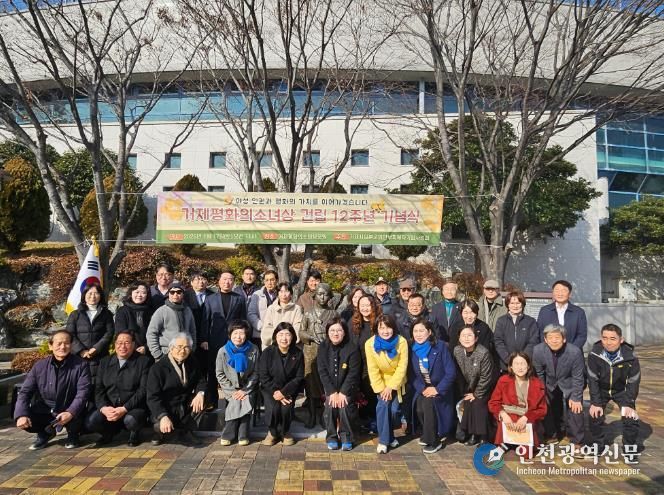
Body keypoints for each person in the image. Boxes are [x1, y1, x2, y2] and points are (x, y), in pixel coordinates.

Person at [14, 330, 90, 450]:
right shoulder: (40, 366)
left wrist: (70, 412)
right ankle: (45, 433)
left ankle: (73, 434)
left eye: (66, 343)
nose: (63, 347)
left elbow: (83, 393)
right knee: (27, 418)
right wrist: (21, 415)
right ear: (50, 346)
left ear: (71, 345)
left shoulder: (81, 365)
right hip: (46, 409)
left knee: (79, 416)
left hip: (70, 408)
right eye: (59, 343)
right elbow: (25, 392)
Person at [85, 331, 151, 447]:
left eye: (127, 343)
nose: (122, 346)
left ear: (133, 344)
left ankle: (134, 433)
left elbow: (143, 390)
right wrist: (104, 408)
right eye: (119, 343)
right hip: (110, 407)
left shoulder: (144, 361)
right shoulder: (105, 362)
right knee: (91, 421)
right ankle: (108, 433)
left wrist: (124, 409)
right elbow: (99, 390)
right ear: (115, 344)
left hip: (133, 408)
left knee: (131, 420)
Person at [587, 324, 641, 452]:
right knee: (594, 415)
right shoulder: (594, 355)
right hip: (601, 390)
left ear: (621, 340)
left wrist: (629, 403)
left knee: (631, 418)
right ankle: (598, 445)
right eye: (604, 338)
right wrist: (595, 403)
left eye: (613, 338)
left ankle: (629, 448)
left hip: (621, 390)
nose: (608, 342)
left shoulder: (631, 357)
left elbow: (633, 381)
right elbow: (592, 380)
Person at [533, 324, 585, 454]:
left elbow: (578, 377)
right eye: (550, 338)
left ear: (564, 338)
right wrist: (542, 392)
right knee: (546, 404)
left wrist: (576, 397)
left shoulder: (575, 352)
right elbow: (539, 373)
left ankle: (577, 440)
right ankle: (552, 433)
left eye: (557, 337)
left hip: (570, 382)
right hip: (549, 382)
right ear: (545, 340)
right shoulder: (538, 350)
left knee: (575, 408)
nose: (554, 340)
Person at [146, 333, 206, 446]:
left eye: (186, 347)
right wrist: (163, 416)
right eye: (179, 347)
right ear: (171, 348)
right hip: (166, 407)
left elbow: (201, 380)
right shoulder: (158, 368)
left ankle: (186, 431)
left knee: (203, 400)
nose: (182, 351)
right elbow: (152, 397)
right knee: (159, 423)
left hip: (183, 404)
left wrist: (200, 393)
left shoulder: (192, 361)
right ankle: (159, 433)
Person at [410, 318, 456, 454]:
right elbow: (411, 375)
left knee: (429, 404)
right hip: (424, 387)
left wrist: (437, 389)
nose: (418, 334)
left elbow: (451, 372)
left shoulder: (440, 347)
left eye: (422, 331)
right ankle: (427, 433)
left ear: (429, 332)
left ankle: (434, 441)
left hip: (440, 387)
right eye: (415, 331)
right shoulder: (412, 349)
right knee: (419, 407)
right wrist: (422, 388)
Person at [365, 314, 409, 454]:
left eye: (388, 327)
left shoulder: (401, 342)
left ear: (393, 328)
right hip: (381, 382)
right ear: (376, 329)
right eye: (381, 328)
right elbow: (372, 369)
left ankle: (390, 436)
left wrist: (391, 387)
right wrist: (381, 389)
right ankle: (384, 441)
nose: (385, 331)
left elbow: (402, 367)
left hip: (397, 381)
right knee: (383, 406)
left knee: (394, 411)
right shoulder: (370, 344)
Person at [203, 270, 247, 407]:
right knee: (212, 372)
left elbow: (243, 320)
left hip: (233, 341)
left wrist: (242, 337)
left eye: (230, 279)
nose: (227, 282)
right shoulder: (210, 299)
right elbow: (205, 320)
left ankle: (231, 402)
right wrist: (204, 339)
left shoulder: (239, 298)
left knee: (232, 372)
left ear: (233, 282)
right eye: (224, 279)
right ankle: (212, 402)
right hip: (214, 340)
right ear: (219, 281)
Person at [488, 352, 547, 451]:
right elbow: (493, 402)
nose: (520, 367)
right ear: (511, 367)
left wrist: (526, 417)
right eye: (516, 364)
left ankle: (520, 443)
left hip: (527, 418)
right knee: (506, 425)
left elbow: (542, 409)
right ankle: (507, 443)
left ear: (528, 366)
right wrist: (503, 414)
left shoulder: (537, 383)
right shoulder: (503, 380)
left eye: (522, 364)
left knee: (526, 453)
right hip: (509, 417)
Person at [318, 318, 362, 451]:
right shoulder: (323, 347)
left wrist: (343, 392)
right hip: (330, 388)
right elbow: (322, 371)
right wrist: (332, 392)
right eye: (332, 330)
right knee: (330, 404)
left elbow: (353, 373)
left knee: (344, 405)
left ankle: (347, 437)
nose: (335, 333)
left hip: (348, 388)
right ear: (327, 332)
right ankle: (331, 437)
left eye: (339, 330)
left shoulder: (352, 348)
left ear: (344, 332)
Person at [258, 322, 305, 446]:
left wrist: (284, 392)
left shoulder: (298, 353)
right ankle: (272, 432)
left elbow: (299, 377)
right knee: (273, 408)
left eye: (287, 335)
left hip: (288, 389)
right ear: (275, 336)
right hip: (270, 389)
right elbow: (263, 376)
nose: (284, 338)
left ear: (293, 337)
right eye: (281, 334)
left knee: (286, 408)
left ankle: (285, 431)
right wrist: (276, 392)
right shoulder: (268, 352)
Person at [216, 320, 260, 446]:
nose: (238, 337)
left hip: (248, 387)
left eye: (241, 333)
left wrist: (245, 390)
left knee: (244, 398)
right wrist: (233, 391)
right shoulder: (223, 351)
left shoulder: (253, 349)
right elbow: (220, 374)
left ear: (246, 335)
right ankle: (239, 433)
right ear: (230, 334)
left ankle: (235, 434)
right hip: (230, 389)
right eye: (235, 333)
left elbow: (256, 372)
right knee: (236, 400)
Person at [299, 283, 337, 428]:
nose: (322, 297)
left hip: (328, 352)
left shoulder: (333, 314)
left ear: (329, 297)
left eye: (325, 294)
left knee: (324, 383)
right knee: (310, 384)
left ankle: (324, 415)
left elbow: (339, 330)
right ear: (314, 296)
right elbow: (301, 332)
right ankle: (312, 414)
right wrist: (310, 336)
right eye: (319, 294)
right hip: (310, 352)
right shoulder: (308, 313)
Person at [453, 326, 495, 446]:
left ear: (476, 338)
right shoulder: (457, 351)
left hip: (485, 386)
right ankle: (471, 433)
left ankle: (482, 436)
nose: (466, 338)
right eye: (463, 336)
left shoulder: (483, 353)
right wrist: (464, 391)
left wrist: (476, 393)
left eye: (470, 335)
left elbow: (486, 377)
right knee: (467, 401)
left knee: (477, 403)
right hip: (467, 387)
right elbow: (458, 373)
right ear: (459, 338)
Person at [66, 282, 115, 382]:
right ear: (84, 295)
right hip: (79, 358)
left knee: (98, 384)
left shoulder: (107, 314)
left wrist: (96, 348)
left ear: (100, 295)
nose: (93, 296)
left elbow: (109, 333)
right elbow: (70, 334)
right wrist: (81, 351)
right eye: (90, 293)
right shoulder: (75, 314)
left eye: (96, 293)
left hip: (100, 357)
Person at [349, 294, 382, 429]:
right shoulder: (353, 323)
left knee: (373, 395)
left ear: (373, 306)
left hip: (376, 366)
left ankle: (375, 421)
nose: (365, 308)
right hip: (358, 366)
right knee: (361, 396)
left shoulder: (380, 322)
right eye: (362, 305)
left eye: (368, 305)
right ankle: (362, 422)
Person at [147, 282, 197, 361]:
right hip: (166, 354)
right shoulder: (162, 311)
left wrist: (192, 349)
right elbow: (151, 333)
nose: (175, 294)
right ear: (168, 294)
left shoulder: (187, 310)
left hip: (185, 354)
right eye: (172, 292)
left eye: (179, 292)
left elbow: (192, 331)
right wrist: (157, 354)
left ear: (183, 294)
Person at [494, 291, 539, 371]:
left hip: (525, 364)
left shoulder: (530, 321)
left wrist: (523, 359)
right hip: (506, 366)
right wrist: (508, 359)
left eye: (518, 303)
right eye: (512, 303)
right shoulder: (501, 321)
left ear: (522, 304)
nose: (515, 306)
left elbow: (533, 341)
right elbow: (498, 341)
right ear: (507, 305)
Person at [537, 280, 588, 350]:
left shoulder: (578, 312)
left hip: (572, 353)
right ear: (553, 293)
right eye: (557, 290)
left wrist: (571, 351)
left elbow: (581, 336)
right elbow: (540, 333)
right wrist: (549, 350)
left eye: (563, 290)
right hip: (548, 352)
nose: (560, 293)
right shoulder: (545, 311)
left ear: (570, 294)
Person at [114, 281, 153, 357]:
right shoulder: (122, 311)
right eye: (137, 292)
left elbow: (155, 332)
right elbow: (120, 332)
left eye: (143, 293)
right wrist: (133, 347)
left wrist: (146, 347)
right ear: (131, 293)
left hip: (148, 352)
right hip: (127, 351)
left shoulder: (152, 311)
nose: (139, 295)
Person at [261, 282, 303, 350]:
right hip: (273, 346)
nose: (284, 294)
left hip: (291, 347)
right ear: (277, 293)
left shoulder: (296, 309)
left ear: (291, 294)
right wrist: (279, 340)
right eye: (281, 291)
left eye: (286, 291)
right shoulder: (271, 308)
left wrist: (286, 340)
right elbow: (266, 329)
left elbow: (297, 328)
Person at [247, 269, 278, 347]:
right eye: (267, 280)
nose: (269, 282)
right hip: (259, 334)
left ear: (277, 280)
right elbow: (251, 314)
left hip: (278, 335)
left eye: (272, 280)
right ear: (264, 281)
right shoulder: (257, 295)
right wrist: (263, 326)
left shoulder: (281, 295)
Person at [430, 278, 462, 343]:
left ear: (456, 291)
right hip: (440, 342)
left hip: (457, 342)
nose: (449, 292)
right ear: (442, 291)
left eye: (452, 289)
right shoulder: (435, 308)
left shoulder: (462, 307)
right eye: (446, 289)